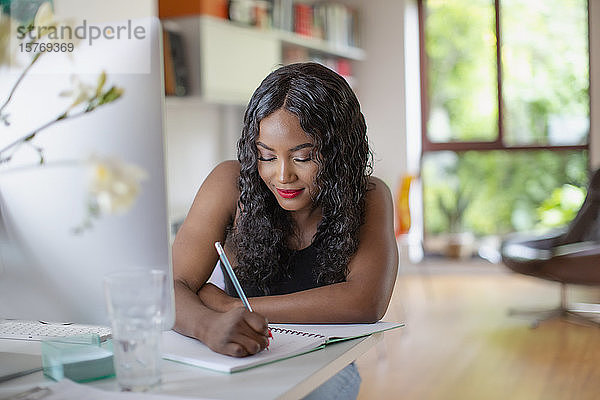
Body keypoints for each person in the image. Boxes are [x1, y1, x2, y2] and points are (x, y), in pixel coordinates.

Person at [172, 62, 398, 399]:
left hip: (323, 366)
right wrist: (207, 325)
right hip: (236, 356)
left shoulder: (369, 195)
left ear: (339, 153)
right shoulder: (229, 184)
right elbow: (169, 288)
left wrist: (235, 309)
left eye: (303, 157)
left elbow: (365, 301)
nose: (282, 176)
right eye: (266, 156)